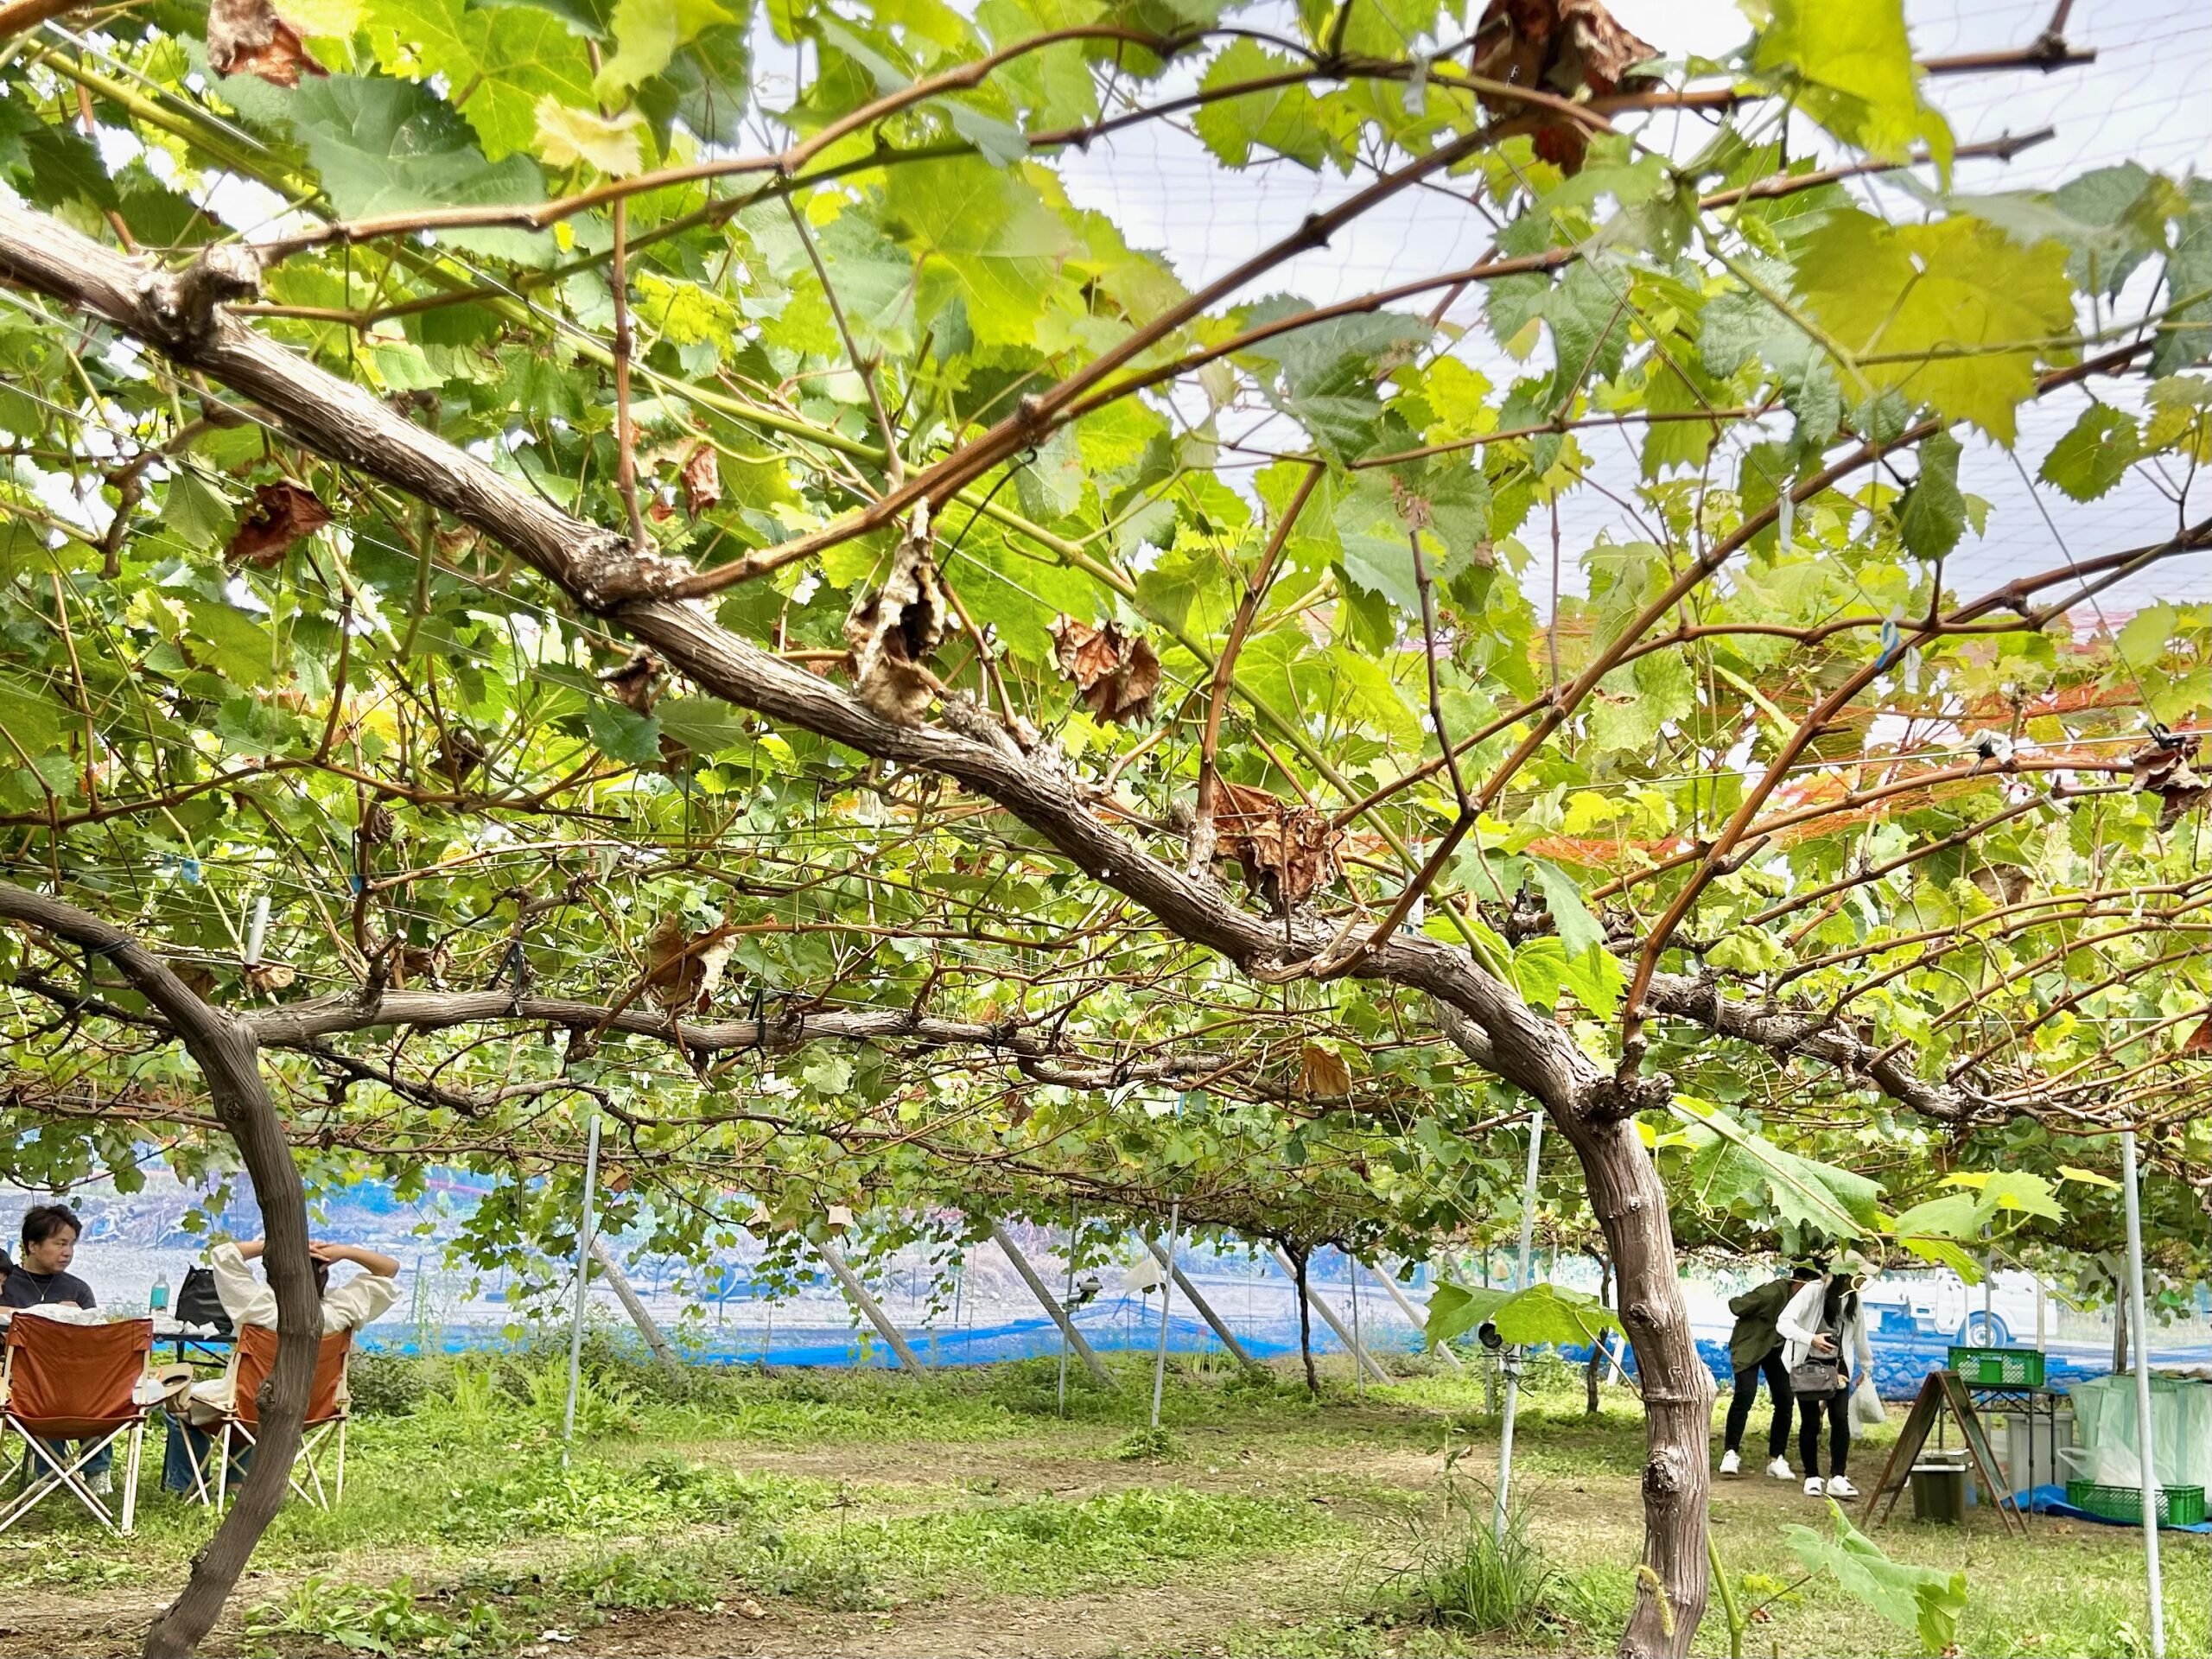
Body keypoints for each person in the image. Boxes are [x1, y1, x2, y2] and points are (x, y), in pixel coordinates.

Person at [162, 1237, 400, 1496]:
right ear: (324, 1275)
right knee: (258, 1401)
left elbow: (223, 1255)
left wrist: (276, 1244)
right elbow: (388, 1269)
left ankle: (185, 1484)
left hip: (246, 1407)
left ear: (276, 1275)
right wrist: (342, 1251)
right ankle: (237, 1481)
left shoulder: (258, 1307)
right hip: (309, 1410)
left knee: (182, 1404)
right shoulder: (340, 1312)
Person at [2, 1204, 113, 1494]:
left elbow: (96, 1343)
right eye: (60, 1243)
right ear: (33, 1245)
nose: (68, 1252)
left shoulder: (78, 1290)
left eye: (72, 1244)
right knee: (45, 1383)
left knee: (94, 1382)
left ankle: (96, 1469)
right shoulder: (6, 1283)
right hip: (17, 1377)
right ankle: (49, 1469)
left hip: (72, 1376)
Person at [1779, 1265, 1872, 1499]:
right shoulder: (1814, 1290)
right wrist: (1811, 1339)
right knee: (1811, 1420)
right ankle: (1811, 1477)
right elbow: (1784, 1323)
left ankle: (1838, 1477)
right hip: (1807, 1361)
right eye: (1858, 1275)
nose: (1863, 1280)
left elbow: (1860, 1333)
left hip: (1838, 1365)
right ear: (1845, 1275)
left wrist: (1866, 1366)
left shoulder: (1853, 1299)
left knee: (1840, 1418)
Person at [1719, 1262, 1819, 1478]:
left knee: (1785, 1399)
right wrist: (1760, 1317)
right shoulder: (1771, 1293)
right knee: (1745, 1395)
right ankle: (1730, 1452)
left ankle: (1777, 1458)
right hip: (1751, 1345)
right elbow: (1736, 1305)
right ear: (1798, 1283)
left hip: (1777, 1349)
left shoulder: (1810, 1303)